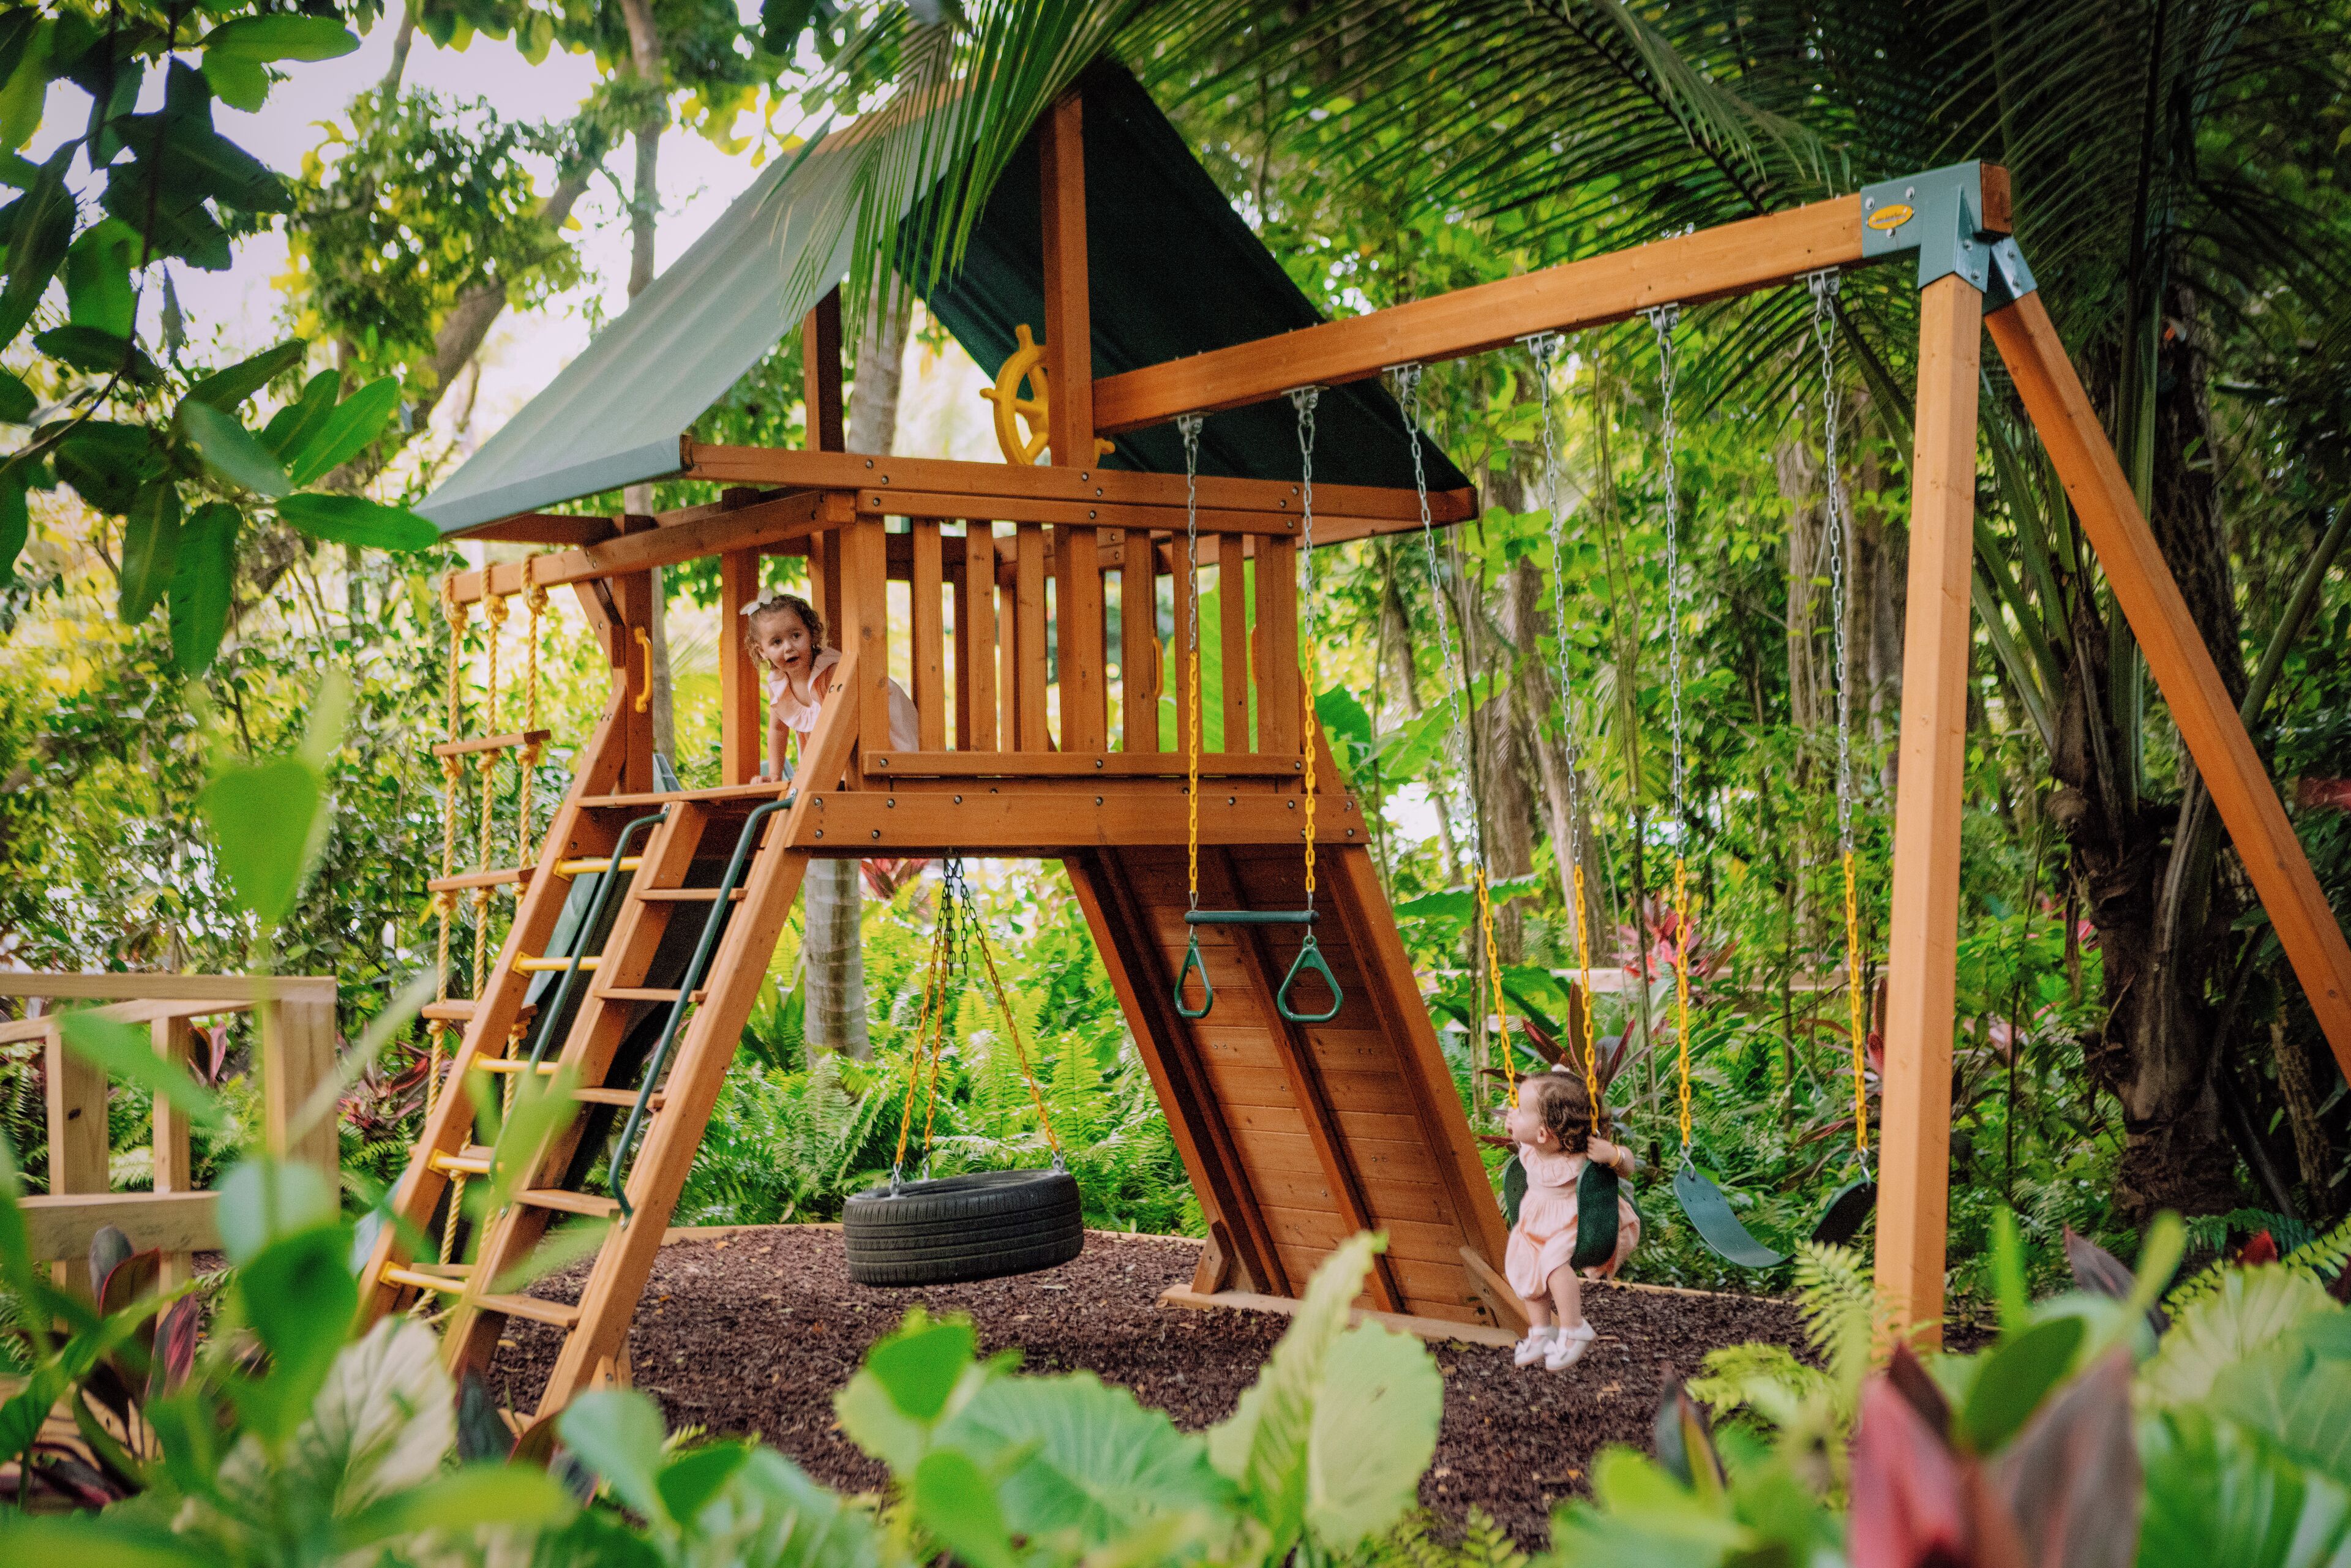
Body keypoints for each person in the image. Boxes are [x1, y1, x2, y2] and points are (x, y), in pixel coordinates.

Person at [1501, 1068, 1639, 1371]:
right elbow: (1523, 1133)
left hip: (1577, 1221)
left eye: (1520, 1111)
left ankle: (1575, 1329)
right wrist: (1516, 1125)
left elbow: (1628, 1165)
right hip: (1538, 1221)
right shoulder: (1533, 1150)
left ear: (1543, 1134)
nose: (1512, 1113)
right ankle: (1542, 1331)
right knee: (1525, 1261)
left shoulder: (1583, 1157)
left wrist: (1614, 1155)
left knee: (1552, 1262)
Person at [742, 593, 920, 780]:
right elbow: (777, 730)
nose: (788, 647)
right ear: (762, 651)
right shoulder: (778, 685)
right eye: (777, 642)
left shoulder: (830, 672)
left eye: (796, 636)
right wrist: (775, 775)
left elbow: (845, 724)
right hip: (833, 749)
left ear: (811, 633)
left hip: (874, 729)